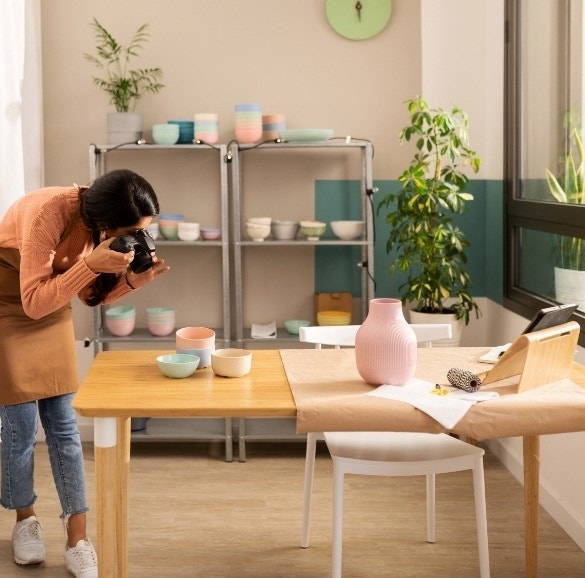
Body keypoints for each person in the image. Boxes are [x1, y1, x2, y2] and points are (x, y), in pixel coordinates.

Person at [0, 169, 170, 577]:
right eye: (130, 232)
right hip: (8, 302)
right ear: (105, 223)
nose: (135, 238)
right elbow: (32, 302)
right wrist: (90, 263)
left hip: (49, 301)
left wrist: (132, 280)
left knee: (64, 428)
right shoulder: (47, 214)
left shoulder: (102, 228)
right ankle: (24, 521)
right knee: (21, 428)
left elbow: (88, 295)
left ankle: (78, 536)